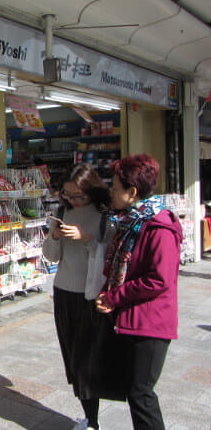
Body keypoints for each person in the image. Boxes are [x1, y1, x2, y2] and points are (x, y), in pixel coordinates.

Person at [96, 154, 182, 430]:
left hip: (151, 324)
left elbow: (159, 279)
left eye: (115, 187)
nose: (112, 192)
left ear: (131, 192)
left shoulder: (158, 227)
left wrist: (115, 297)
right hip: (134, 319)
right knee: (136, 392)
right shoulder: (133, 222)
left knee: (141, 394)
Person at [42, 163, 119, 430]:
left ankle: (93, 421)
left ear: (92, 191)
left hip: (90, 296)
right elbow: (51, 257)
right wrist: (53, 234)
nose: (73, 200)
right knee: (72, 357)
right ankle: (89, 416)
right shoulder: (61, 212)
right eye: (68, 194)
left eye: (79, 196)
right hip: (63, 292)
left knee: (87, 360)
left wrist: (87, 239)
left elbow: (108, 258)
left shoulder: (104, 216)